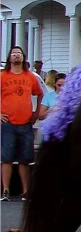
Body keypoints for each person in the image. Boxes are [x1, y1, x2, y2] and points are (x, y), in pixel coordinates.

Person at [1, 46, 43, 201]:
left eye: (19, 53)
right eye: (13, 53)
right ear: (9, 58)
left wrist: (36, 112)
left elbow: (39, 94)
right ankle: (6, 190)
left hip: (26, 123)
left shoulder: (31, 77)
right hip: (8, 123)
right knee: (6, 158)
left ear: (23, 57)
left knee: (25, 159)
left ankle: (26, 191)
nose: (16, 56)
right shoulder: (3, 76)